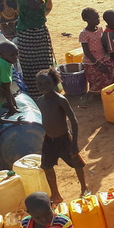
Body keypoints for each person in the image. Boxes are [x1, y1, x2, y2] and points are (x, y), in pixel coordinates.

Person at [35, 69, 89, 199]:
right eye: (40, 84)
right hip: (48, 140)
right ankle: (55, 194)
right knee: (47, 167)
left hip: (64, 139)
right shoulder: (40, 100)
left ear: (54, 83)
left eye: (47, 83)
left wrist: (74, 143)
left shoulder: (60, 100)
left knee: (77, 163)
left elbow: (73, 120)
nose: (43, 87)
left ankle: (84, 187)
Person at [0, 0, 52, 93]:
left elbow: (34, 5)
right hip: (24, 32)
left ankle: (47, 90)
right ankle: (33, 91)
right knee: (27, 64)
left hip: (39, 31)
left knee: (43, 61)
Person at [79, 8, 114, 97]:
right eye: (94, 18)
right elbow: (86, 52)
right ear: (86, 20)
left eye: (97, 17)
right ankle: (91, 95)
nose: (97, 20)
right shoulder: (84, 34)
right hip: (92, 61)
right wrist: (98, 65)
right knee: (99, 76)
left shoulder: (100, 28)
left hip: (104, 56)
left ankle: (110, 93)